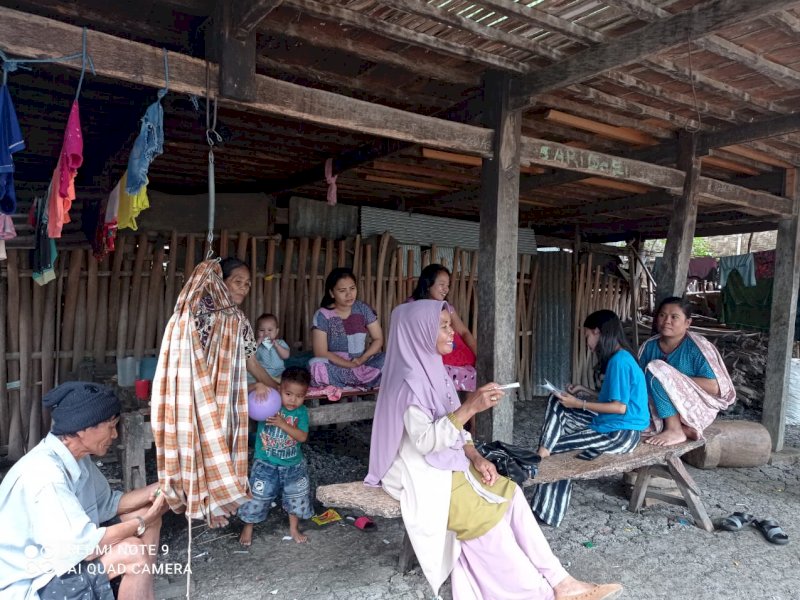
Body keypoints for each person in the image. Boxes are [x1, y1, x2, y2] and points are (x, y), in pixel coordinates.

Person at [365, 300, 623, 600]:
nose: (453, 333)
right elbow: (424, 441)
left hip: (445, 463)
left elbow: (456, 430)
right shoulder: (408, 383)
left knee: (509, 492)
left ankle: (561, 581)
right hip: (419, 473)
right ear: (419, 332)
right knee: (486, 522)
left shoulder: (433, 369)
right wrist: (472, 406)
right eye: (444, 327)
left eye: (451, 325)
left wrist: (475, 456)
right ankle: (538, 594)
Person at [0, 382, 168, 600]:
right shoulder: (45, 476)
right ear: (82, 429)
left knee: (144, 517)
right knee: (133, 550)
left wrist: (158, 489)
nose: (115, 435)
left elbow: (108, 504)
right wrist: (144, 520)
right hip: (31, 585)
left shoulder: (77, 458)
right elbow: (86, 548)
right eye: (111, 426)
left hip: (59, 561)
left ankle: (140, 592)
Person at [530, 310, 649, 528]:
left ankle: (546, 512)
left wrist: (579, 403)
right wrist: (584, 391)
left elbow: (619, 408)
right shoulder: (620, 357)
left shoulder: (620, 362)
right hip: (612, 426)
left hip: (620, 434)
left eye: (587, 336)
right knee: (557, 401)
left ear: (598, 332)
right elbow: (618, 398)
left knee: (561, 448)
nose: (586, 341)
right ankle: (544, 449)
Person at [638, 296, 736, 447]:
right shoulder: (649, 346)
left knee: (657, 370)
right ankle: (683, 429)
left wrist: (672, 379)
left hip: (697, 407)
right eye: (662, 315)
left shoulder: (696, 348)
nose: (667, 321)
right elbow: (639, 381)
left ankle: (675, 429)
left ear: (687, 323)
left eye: (674, 317)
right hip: (658, 407)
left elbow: (715, 387)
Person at [238, 367, 314, 547]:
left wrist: (282, 423)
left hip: (293, 465)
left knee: (296, 497)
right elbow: (239, 392)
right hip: (266, 463)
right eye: (288, 394)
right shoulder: (270, 402)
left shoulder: (301, 412)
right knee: (257, 496)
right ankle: (248, 526)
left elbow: (302, 437)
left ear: (305, 395)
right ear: (279, 389)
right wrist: (257, 386)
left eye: (299, 396)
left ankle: (293, 529)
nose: (293, 400)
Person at [196, 257, 277, 394]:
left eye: (247, 284)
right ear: (220, 282)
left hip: (225, 389)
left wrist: (277, 388)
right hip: (198, 387)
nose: (243, 288)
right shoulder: (199, 312)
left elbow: (251, 363)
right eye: (238, 282)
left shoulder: (239, 319)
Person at [310, 267, 384, 388]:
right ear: (332, 293)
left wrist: (361, 359)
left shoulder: (363, 308)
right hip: (336, 365)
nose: (349, 294)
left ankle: (348, 384)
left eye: (352, 288)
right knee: (315, 365)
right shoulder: (323, 315)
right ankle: (362, 382)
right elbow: (320, 352)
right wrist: (349, 365)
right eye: (342, 290)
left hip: (361, 363)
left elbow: (378, 338)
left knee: (388, 358)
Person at [410, 263, 478, 391]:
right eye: (441, 284)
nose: (446, 289)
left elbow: (463, 332)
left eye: (447, 286)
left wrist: (478, 355)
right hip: (426, 357)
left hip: (449, 352)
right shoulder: (412, 306)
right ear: (428, 284)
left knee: (474, 375)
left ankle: (468, 410)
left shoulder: (446, 307)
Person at [250, 313, 291, 382]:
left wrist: (277, 346)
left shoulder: (280, 343)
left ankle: (275, 382)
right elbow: (249, 355)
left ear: (276, 331)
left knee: (287, 378)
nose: (266, 333)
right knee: (250, 376)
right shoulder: (256, 345)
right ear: (257, 331)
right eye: (262, 330)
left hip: (279, 371)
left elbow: (286, 356)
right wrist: (257, 343)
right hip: (263, 372)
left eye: (270, 330)